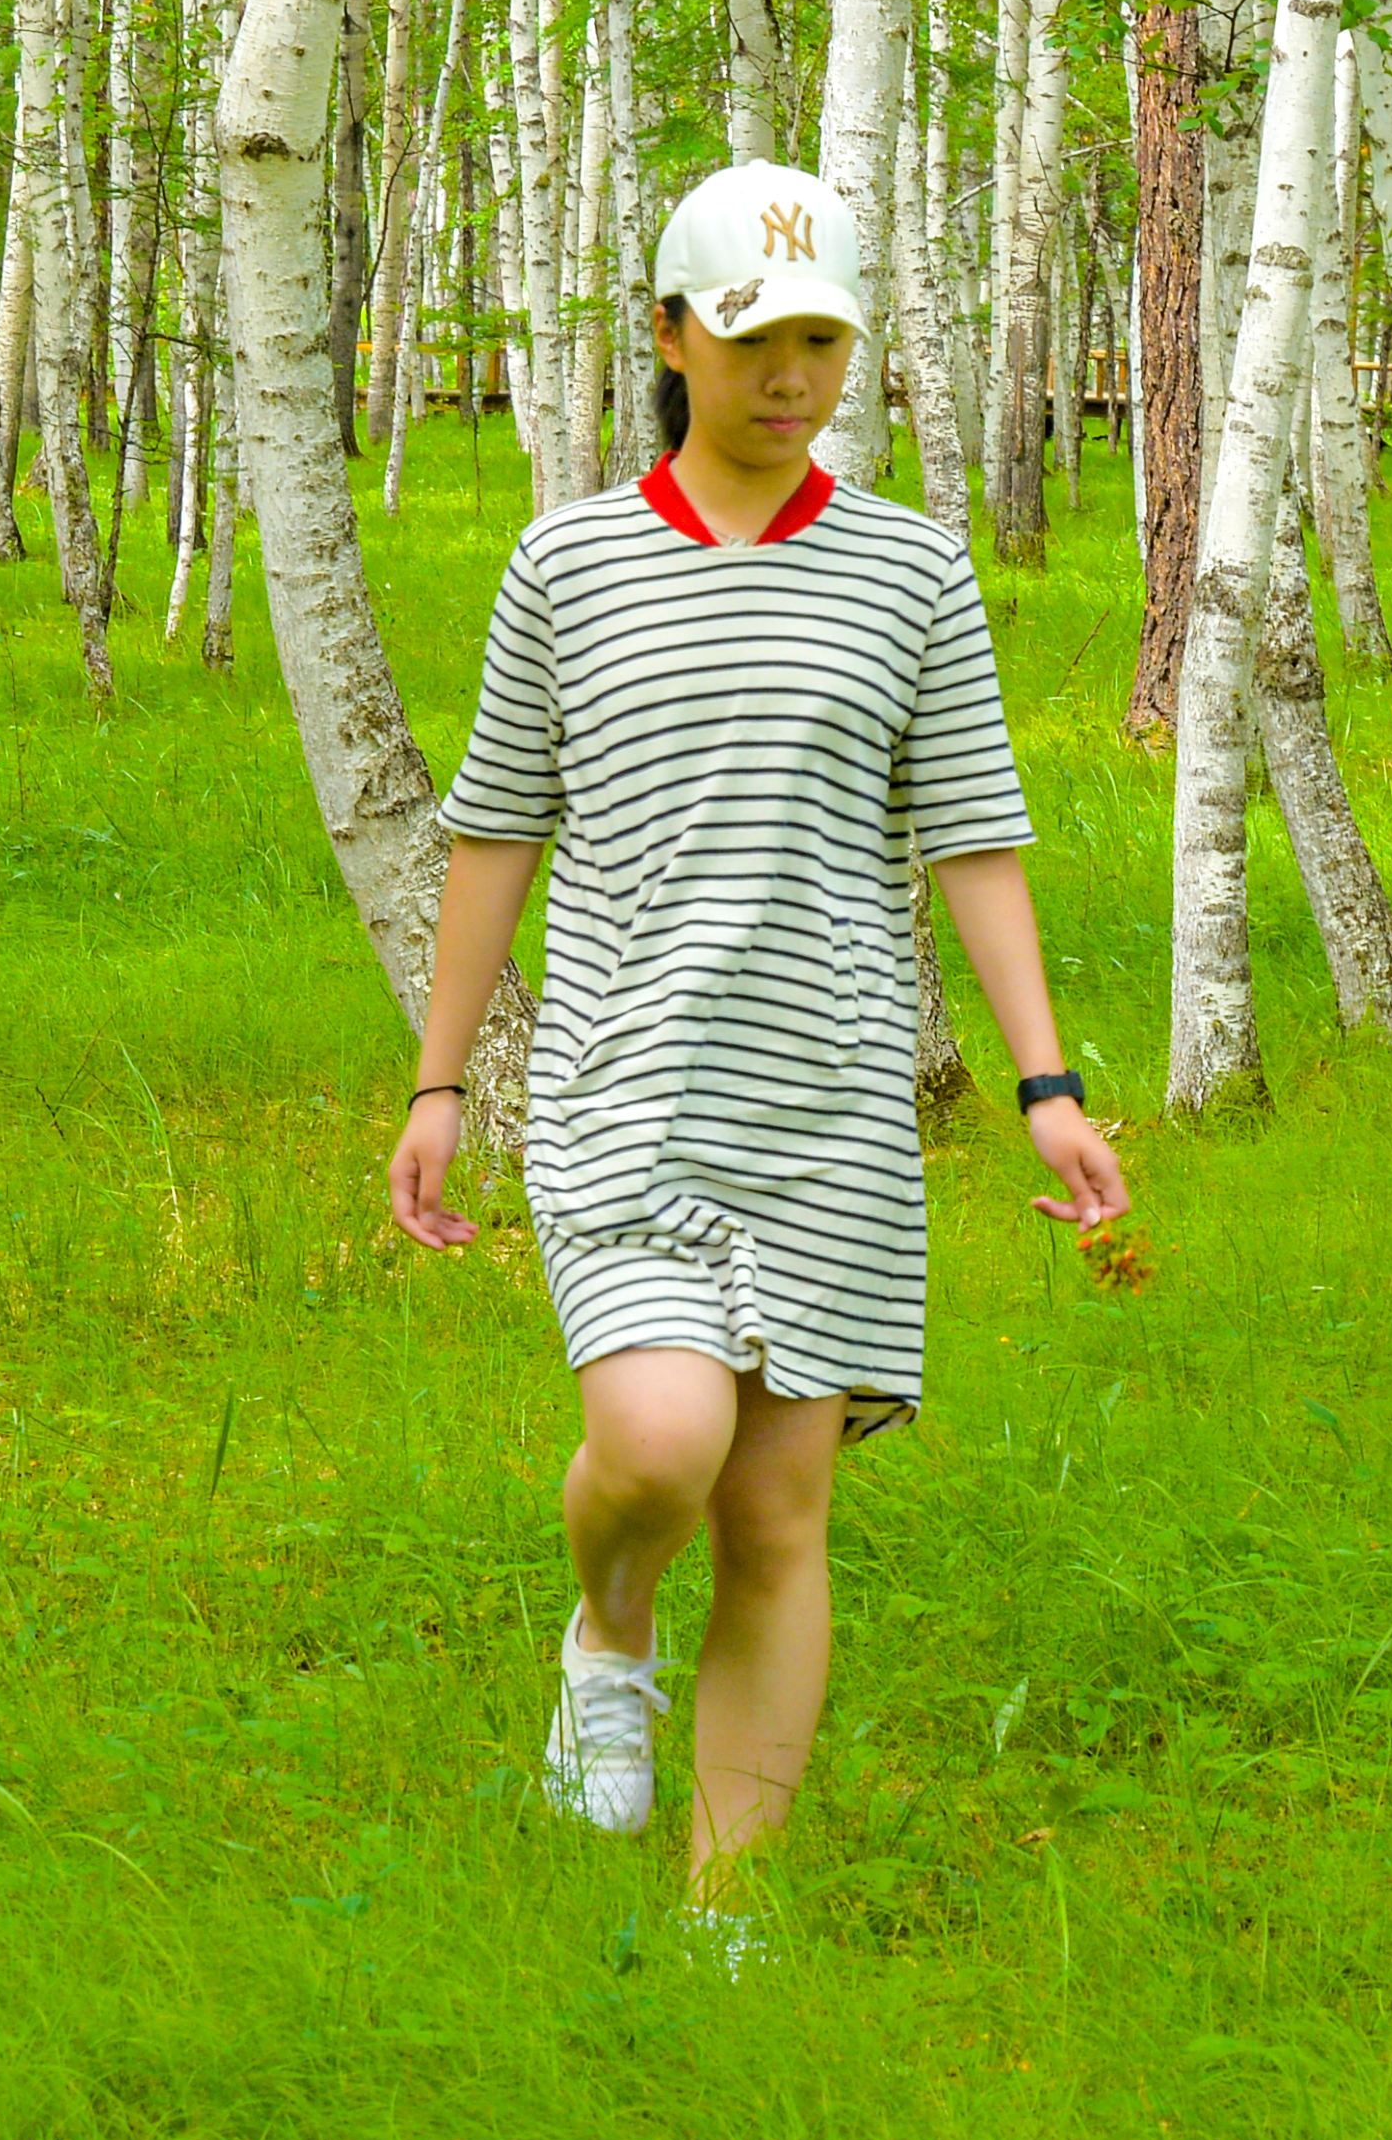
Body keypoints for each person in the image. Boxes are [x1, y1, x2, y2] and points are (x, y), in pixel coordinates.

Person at [384, 159, 1126, 1941]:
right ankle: (607, 1629)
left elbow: (973, 836)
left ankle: (724, 1927)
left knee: (780, 1517)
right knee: (656, 1447)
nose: (790, 377)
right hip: (624, 1095)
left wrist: (1047, 1089)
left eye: (820, 341)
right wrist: (434, 1084)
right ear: (669, 337)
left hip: (837, 1113)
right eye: (751, 339)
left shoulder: (908, 568)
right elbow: (496, 833)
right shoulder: (565, 562)